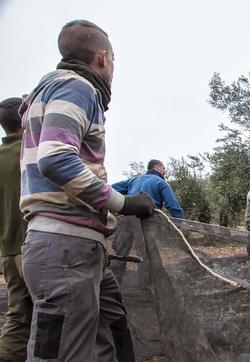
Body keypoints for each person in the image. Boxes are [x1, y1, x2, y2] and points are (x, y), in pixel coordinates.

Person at [19, 20, 155, 361]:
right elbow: (56, 159)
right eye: (114, 59)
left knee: (108, 329)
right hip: (65, 248)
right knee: (63, 352)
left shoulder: (52, 93)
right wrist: (120, 203)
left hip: (80, 248)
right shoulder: (76, 88)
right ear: (102, 58)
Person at [0, 97, 32, 361]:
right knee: (55, 315)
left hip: (8, 251)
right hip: (37, 247)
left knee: (18, 317)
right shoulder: (32, 153)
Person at [112, 159, 185, 219]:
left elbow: (111, 188)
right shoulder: (161, 182)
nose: (165, 171)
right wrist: (181, 222)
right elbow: (172, 205)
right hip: (150, 220)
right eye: (163, 168)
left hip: (128, 219)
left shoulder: (134, 180)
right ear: (158, 168)